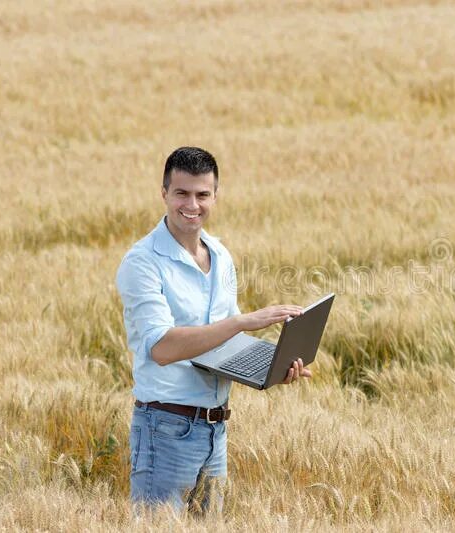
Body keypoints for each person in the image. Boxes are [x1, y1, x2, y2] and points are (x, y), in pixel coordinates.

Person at [115, 146, 311, 515]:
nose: (192, 204)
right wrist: (242, 321)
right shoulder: (142, 263)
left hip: (216, 429)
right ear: (164, 194)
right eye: (182, 193)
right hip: (165, 429)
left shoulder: (220, 254)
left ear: (215, 196)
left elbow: (226, 341)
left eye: (202, 195)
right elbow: (162, 348)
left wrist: (272, 369)